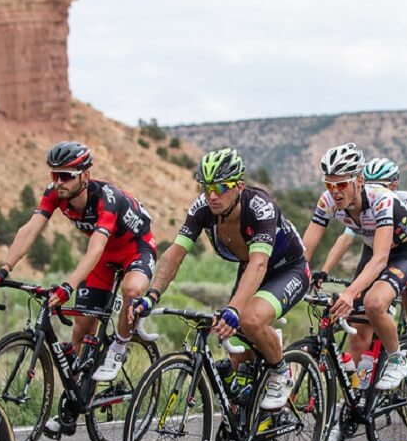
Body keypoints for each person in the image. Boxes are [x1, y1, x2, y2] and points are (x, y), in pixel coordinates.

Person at [0, 141, 156, 436]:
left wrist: (69, 286)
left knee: (131, 290)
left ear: (85, 175)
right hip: (104, 256)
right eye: (54, 175)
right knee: (81, 331)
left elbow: (93, 250)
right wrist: (5, 268)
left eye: (66, 176)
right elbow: (29, 229)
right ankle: (76, 405)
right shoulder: (55, 194)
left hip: (135, 249)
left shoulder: (107, 198)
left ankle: (119, 346)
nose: (58, 182)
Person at [130, 148, 309, 410]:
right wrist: (152, 295)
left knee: (250, 318)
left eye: (220, 187)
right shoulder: (203, 208)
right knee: (236, 367)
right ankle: (235, 433)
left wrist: (235, 309)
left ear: (239, 186)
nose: (212, 195)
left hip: (287, 269)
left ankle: (281, 372)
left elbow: (260, 263)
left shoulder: (260, 207)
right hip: (250, 269)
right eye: (205, 187)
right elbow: (174, 255)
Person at [302, 144, 407, 392]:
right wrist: (300, 275)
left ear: (359, 181)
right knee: (356, 326)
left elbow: (381, 259)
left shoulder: (382, 200)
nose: (335, 192)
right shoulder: (327, 201)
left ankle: (397, 358)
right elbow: (306, 247)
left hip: (404, 251)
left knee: (374, 303)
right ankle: (353, 399)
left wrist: (351, 292)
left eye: (342, 184)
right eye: (329, 184)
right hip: (373, 247)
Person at [316, 157, 407, 336]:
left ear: (394, 185)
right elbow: (345, 240)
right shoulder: (364, 205)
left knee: (406, 284)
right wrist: (324, 271)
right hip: (380, 249)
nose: (374, 190)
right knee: (365, 294)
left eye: (381, 185)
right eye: (370, 184)